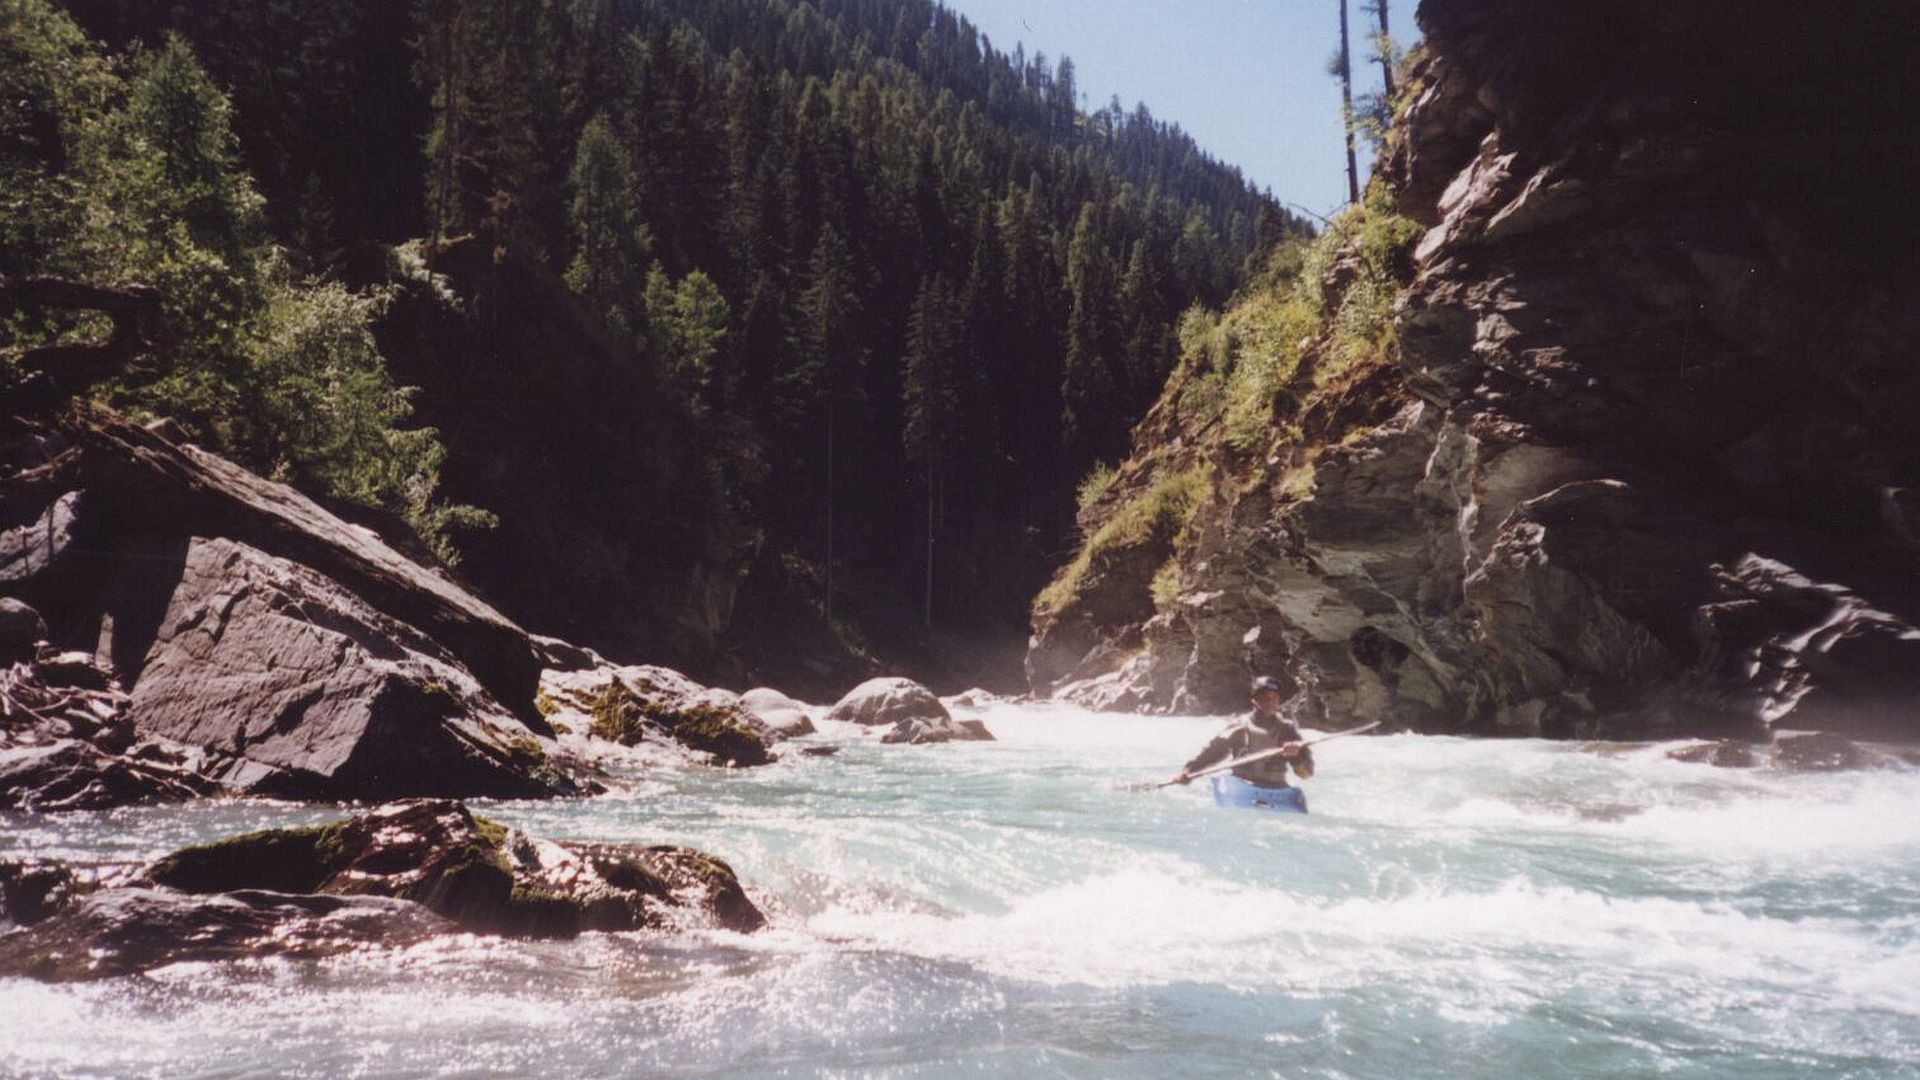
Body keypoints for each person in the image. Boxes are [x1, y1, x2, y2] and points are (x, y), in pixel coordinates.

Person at [1170, 674, 1313, 810]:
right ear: (1254, 700)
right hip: (1243, 787)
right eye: (1264, 698)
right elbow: (1211, 754)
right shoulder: (1238, 727)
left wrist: (1295, 755)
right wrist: (1187, 772)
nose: (1269, 702)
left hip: (1276, 789)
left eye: (1274, 698)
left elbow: (1305, 774)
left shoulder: (1287, 730)